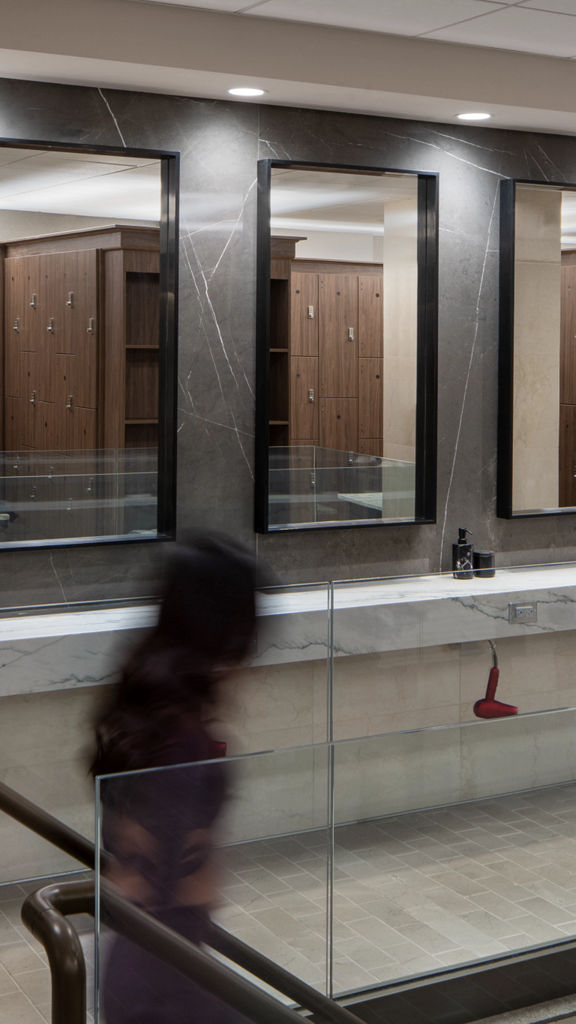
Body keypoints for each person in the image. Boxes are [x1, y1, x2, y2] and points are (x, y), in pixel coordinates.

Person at [91, 533, 264, 1024]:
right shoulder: (181, 735)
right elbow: (164, 879)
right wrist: (198, 875)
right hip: (166, 977)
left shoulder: (144, 702)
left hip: (145, 961)